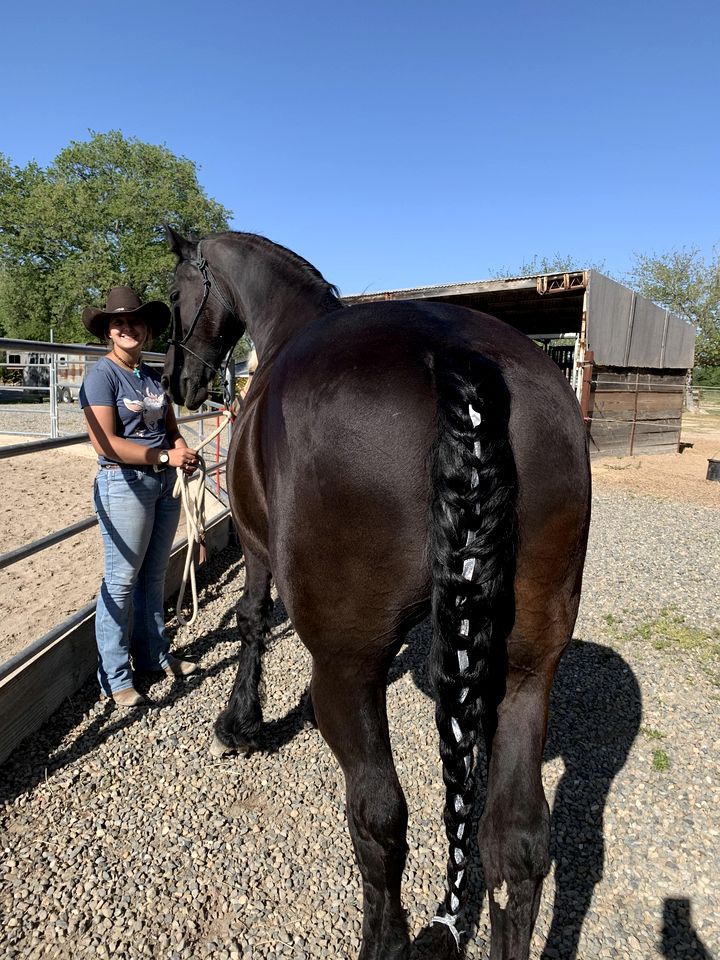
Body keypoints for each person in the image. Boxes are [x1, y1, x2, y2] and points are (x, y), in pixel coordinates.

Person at [80, 286, 200, 707]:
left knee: (152, 574)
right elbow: (105, 444)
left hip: (163, 482)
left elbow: (170, 427)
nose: (127, 328)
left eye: (134, 321)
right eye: (119, 322)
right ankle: (114, 676)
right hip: (125, 482)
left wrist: (182, 451)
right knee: (120, 581)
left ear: (146, 330)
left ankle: (153, 655)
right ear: (108, 332)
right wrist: (165, 456)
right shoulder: (101, 376)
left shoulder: (151, 376)